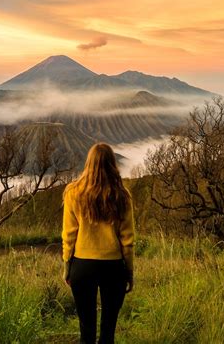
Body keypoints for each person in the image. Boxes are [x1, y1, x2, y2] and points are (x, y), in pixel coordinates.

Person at [61, 142, 135, 344]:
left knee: (86, 328)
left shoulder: (73, 193)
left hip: (82, 266)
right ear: (113, 164)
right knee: (108, 330)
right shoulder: (122, 196)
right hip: (113, 267)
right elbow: (127, 240)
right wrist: (129, 273)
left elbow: (69, 236)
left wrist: (68, 267)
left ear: (88, 163)